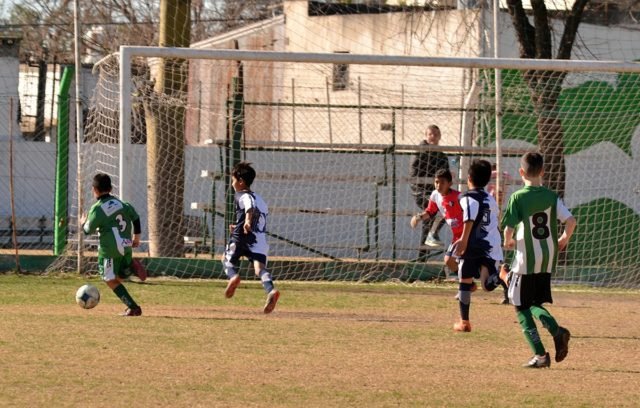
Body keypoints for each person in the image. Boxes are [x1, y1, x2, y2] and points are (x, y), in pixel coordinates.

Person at [501, 152, 575, 368]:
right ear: (542, 171)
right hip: (547, 257)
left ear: (521, 172)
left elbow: (508, 229)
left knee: (520, 306)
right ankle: (557, 333)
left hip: (526, 260)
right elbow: (571, 221)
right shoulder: (551, 196)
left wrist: (508, 241)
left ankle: (543, 354)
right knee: (533, 302)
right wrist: (563, 239)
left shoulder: (518, 197)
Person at [81, 173, 147, 317]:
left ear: (94, 190)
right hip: (126, 245)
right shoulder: (122, 204)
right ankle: (128, 269)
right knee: (117, 278)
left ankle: (134, 308)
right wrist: (136, 238)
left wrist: (83, 222)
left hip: (110, 250)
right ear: (111, 188)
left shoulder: (97, 209)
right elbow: (136, 218)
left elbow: (87, 230)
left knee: (109, 279)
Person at [452, 159, 504, 332]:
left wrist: (463, 240)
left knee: (465, 280)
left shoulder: (467, 197)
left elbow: (469, 217)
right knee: (487, 285)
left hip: (473, 244)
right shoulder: (490, 199)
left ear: (469, 178)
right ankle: (503, 274)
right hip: (490, 244)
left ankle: (464, 321)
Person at [222, 162, 280, 314]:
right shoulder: (261, 199)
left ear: (240, 181)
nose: (232, 184)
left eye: (233, 180)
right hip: (259, 239)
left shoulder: (243, 195)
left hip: (242, 236)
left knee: (226, 260)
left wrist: (246, 222)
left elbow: (249, 207)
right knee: (259, 269)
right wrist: (240, 224)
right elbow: (258, 217)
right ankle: (271, 290)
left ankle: (233, 277)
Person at [410, 168, 463, 281]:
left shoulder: (459, 197)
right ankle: (467, 281)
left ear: (450, 184)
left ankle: (469, 281)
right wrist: (418, 217)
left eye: (442, 182)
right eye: (436, 182)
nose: (438, 185)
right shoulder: (435, 195)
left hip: (468, 234)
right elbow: (430, 211)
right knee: (449, 261)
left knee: (473, 261)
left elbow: (471, 213)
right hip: (457, 236)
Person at [410, 124, 450, 249]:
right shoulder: (420, 153)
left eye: (436, 134)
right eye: (430, 134)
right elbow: (414, 175)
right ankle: (430, 237)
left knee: (450, 205)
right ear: (426, 136)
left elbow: (446, 176)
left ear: (440, 136)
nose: (433, 136)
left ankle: (426, 246)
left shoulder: (442, 156)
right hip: (421, 192)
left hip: (436, 193)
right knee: (432, 210)